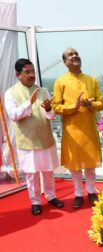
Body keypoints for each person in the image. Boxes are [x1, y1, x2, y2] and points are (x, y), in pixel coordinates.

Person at [4, 58, 64, 215]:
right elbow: (13, 115)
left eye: (33, 72)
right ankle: (35, 201)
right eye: (27, 72)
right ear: (18, 74)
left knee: (48, 171)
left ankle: (51, 196)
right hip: (27, 140)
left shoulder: (43, 91)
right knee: (32, 174)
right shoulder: (10, 93)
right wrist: (28, 103)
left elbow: (50, 117)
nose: (32, 75)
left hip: (45, 138)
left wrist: (50, 109)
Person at [52, 48, 103, 209]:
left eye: (76, 54)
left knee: (90, 163)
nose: (75, 56)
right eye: (70, 55)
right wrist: (72, 107)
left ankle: (91, 191)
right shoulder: (60, 81)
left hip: (89, 128)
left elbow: (101, 103)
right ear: (65, 62)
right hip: (72, 129)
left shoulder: (91, 80)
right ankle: (78, 193)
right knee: (74, 165)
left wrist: (91, 104)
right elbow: (55, 106)